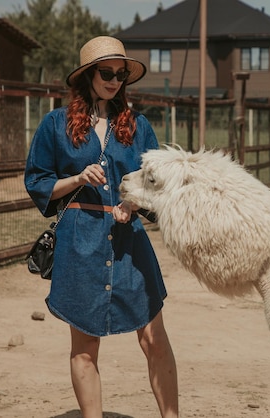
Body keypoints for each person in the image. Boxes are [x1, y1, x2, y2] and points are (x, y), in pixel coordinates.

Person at [24, 36, 178, 418]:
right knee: (84, 347)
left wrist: (132, 202)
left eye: (120, 75)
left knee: (154, 339)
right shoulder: (55, 124)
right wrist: (77, 178)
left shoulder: (137, 126)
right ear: (87, 75)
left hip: (130, 242)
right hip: (80, 242)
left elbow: (158, 183)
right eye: (106, 73)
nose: (114, 81)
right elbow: (38, 181)